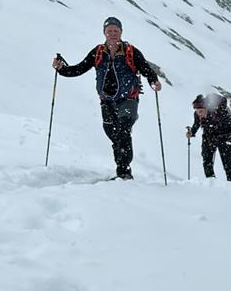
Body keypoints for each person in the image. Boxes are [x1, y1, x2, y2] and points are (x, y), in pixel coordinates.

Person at [52, 16, 162, 179]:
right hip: (106, 101)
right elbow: (79, 69)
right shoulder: (98, 52)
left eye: (115, 30)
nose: (112, 33)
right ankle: (122, 167)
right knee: (112, 132)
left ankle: (124, 172)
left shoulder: (131, 51)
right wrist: (61, 69)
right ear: (104, 32)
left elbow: (146, 69)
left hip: (128, 99)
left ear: (121, 32)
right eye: (109, 30)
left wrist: (154, 81)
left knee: (123, 130)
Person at [187, 93, 231, 181]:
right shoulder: (197, 114)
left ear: (207, 109)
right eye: (197, 111)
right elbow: (196, 124)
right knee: (207, 161)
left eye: (201, 111)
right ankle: (211, 182)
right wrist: (192, 132)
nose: (199, 114)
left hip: (224, 137)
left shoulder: (219, 114)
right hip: (208, 137)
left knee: (227, 164)